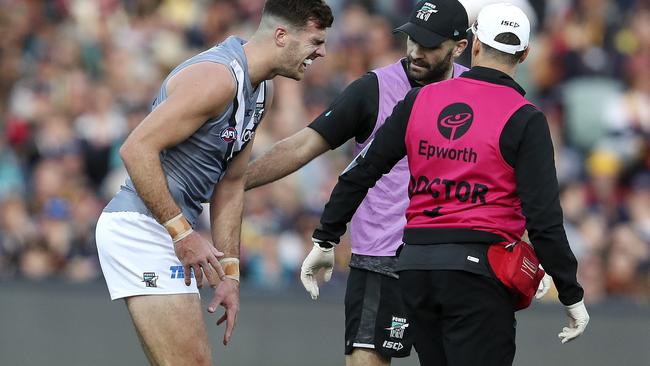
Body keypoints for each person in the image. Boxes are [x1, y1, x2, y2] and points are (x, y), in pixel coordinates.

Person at [305, 3, 589, 366]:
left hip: (416, 269)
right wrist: (571, 294)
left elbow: (360, 173)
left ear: (474, 46)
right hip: (479, 273)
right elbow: (544, 220)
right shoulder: (525, 119)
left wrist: (326, 237)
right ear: (525, 54)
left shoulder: (419, 99)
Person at [94, 1, 333, 365]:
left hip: (164, 229)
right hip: (141, 227)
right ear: (282, 35)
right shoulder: (217, 77)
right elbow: (136, 149)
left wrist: (231, 274)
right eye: (316, 41)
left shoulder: (262, 89)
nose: (323, 52)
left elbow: (232, 183)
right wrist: (182, 234)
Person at [245, 1, 469, 364]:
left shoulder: (476, 93)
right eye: (412, 39)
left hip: (451, 258)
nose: (415, 51)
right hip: (382, 257)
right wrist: (235, 183)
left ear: (459, 47)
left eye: (429, 44)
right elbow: (303, 145)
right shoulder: (374, 88)